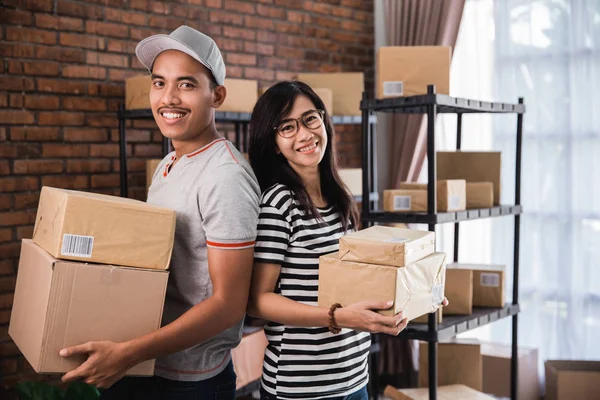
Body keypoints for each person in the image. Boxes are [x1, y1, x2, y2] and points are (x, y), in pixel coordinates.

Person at [59, 26, 261, 400]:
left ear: (216, 95)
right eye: (159, 83)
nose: (168, 98)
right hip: (144, 362)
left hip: (189, 381)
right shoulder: (168, 163)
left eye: (186, 84)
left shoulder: (225, 175)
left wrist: (129, 352)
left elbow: (229, 304)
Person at [246, 81, 409, 400]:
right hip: (302, 388)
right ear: (275, 143)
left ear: (323, 121)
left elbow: (355, 281)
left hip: (354, 379)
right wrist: (335, 316)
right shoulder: (279, 204)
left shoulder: (340, 199)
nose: (305, 134)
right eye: (287, 127)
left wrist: (410, 295)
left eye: (310, 119)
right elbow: (258, 301)